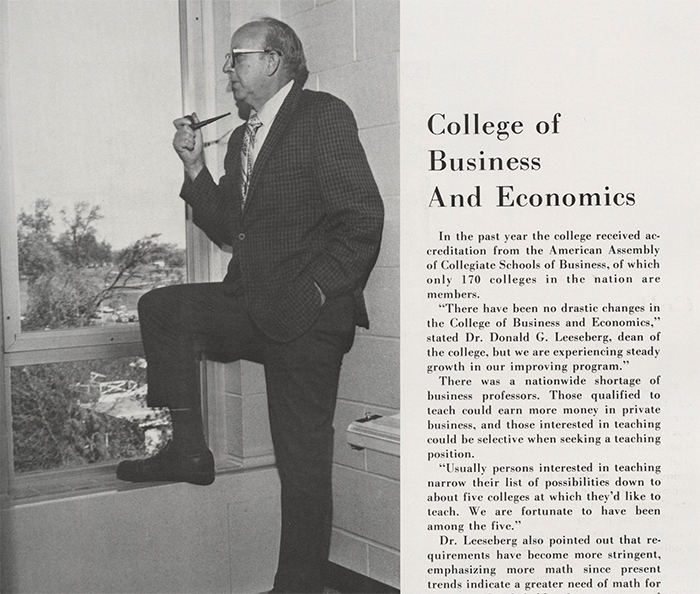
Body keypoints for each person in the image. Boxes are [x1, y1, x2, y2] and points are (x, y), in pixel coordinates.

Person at [116, 16, 384, 594]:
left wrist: (316, 291)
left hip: (309, 317)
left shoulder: (322, 115)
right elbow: (231, 230)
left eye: (235, 57)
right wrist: (194, 168)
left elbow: (362, 222)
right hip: (252, 303)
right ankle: (189, 452)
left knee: (302, 462)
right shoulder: (241, 137)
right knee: (162, 309)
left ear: (274, 60)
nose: (227, 71)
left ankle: (299, 585)